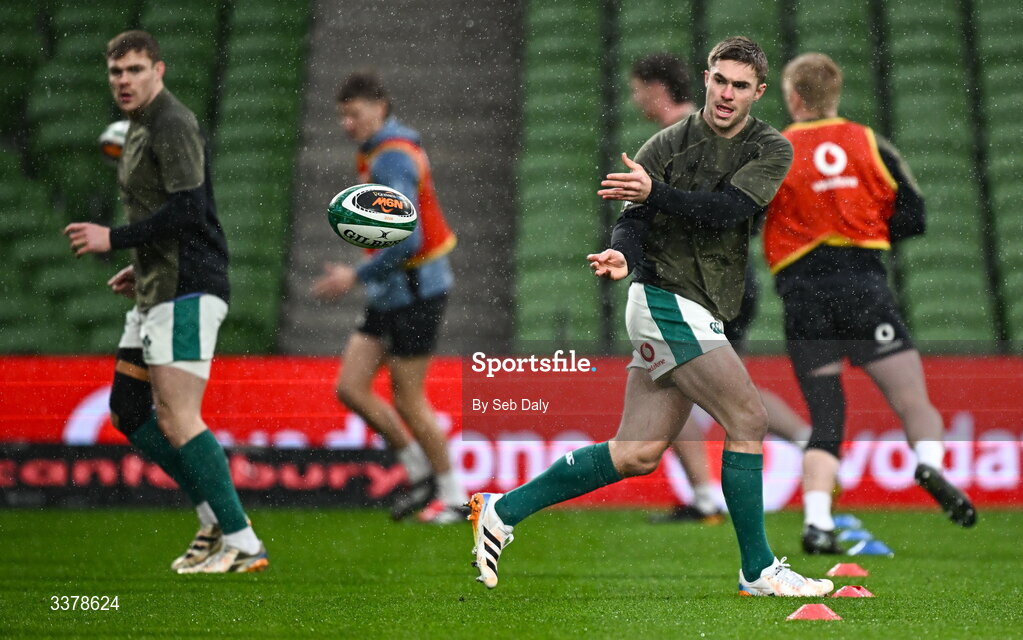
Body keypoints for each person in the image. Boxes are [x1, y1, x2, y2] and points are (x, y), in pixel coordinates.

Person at [468, 37, 832, 597]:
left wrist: (655, 193)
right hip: (665, 298)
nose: (727, 93)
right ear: (706, 78)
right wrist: (623, 253)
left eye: (740, 85)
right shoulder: (665, 142)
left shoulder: (770, 148)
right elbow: (633, 219)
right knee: (748, 420)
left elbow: (730, 210)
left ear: (759, 92)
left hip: (701, 301)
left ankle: (501, 510)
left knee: (636, 453)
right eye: (720, 79)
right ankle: (758, 569)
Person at [63, 30, 267, 573]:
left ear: (160, 70)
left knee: (179, 417)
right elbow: (172, 215)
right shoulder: (141, 125)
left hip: (187, 287)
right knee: (129, 412)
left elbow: (191, 210)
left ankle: (243, 540)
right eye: (116, 72)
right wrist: (142, 261)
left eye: (134, 69)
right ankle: (211, 517)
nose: (124, 81)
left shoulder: (173, 122)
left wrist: (116, 239)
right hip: (160, 283)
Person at [765, 53, 978, 554]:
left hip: (803, 293)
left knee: (827, 417)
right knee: (912, 400)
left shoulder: (773, 150)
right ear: (834, 95)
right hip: (863, 284)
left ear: (794, 96)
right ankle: (929, 463)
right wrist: (864, 228)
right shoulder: (868, 141)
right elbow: (915, 213)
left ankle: (818, 523)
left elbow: (744, 213)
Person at [630, 53, 811, 525]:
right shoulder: (729, 138)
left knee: (678, 381)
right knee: (710, 382)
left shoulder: (676, 139)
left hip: (698, 283)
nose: (634, 99)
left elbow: (714, 210)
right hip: (728, 277)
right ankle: (810, 445)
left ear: (655, 87)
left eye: (638, 88)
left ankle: (711, 494)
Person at [312, 71, 466, 524]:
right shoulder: (382, 151)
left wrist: (354, 275)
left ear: (379, 108)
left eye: (354, 113)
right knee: (351, 387)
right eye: (342, 115)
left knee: (409, 399)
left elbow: (405, 237)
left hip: (417, 291)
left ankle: (455, 496)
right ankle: (420, 473)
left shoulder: (391, 159)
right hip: (392, 292)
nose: (347, 123)